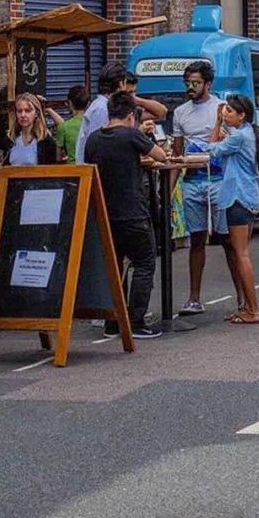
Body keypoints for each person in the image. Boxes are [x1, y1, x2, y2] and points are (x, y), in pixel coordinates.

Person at [84, 91, 167, 338]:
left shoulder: (94, 140)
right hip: (132, 211)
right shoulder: (131, 134)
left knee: (115, 266)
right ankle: (136, 321)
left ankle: (113, 322)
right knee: (144, 263)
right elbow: (161, 156)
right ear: (131, 115)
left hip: (105, 212)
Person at [208, 94, 259, 325]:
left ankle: (253, 309)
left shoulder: (239, 136)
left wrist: (217, 123)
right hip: (247, 196)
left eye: (230, 111)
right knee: (239, 252)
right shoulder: (246, 133)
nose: (225, 113)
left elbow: (212, 149)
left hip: (237, 197)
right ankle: (244, 306)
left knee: (241, 254)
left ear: (242, 115)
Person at [174, 60, 222, 315]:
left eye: (196, 83)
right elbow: (177, 153)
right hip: (192, 182)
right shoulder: (180, 113)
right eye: (188, 83)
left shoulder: (220, 108)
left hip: (218, 180)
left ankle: (242, 298)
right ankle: (194, 297)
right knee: (197, 240)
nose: (191, 87)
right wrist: (170, 190)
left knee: (228, 240)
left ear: (208, 84)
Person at [77, 62, 167, 163]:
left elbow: (162, 111)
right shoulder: (102, 108)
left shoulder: (112, 106)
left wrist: (133, 99)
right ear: (121, 84)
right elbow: (102, 147)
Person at [4, 93, 59, 165]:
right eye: (19, 111)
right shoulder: (10, 139)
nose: (23, 115)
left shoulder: (46, 142)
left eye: (28, 111)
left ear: (36, 113)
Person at [54, 85, 89, 162]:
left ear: (70, 103)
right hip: (89, 169)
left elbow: (58, 158)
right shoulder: (93, 123)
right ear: (88, 104)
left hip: (71, 170)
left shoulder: (63, 127)